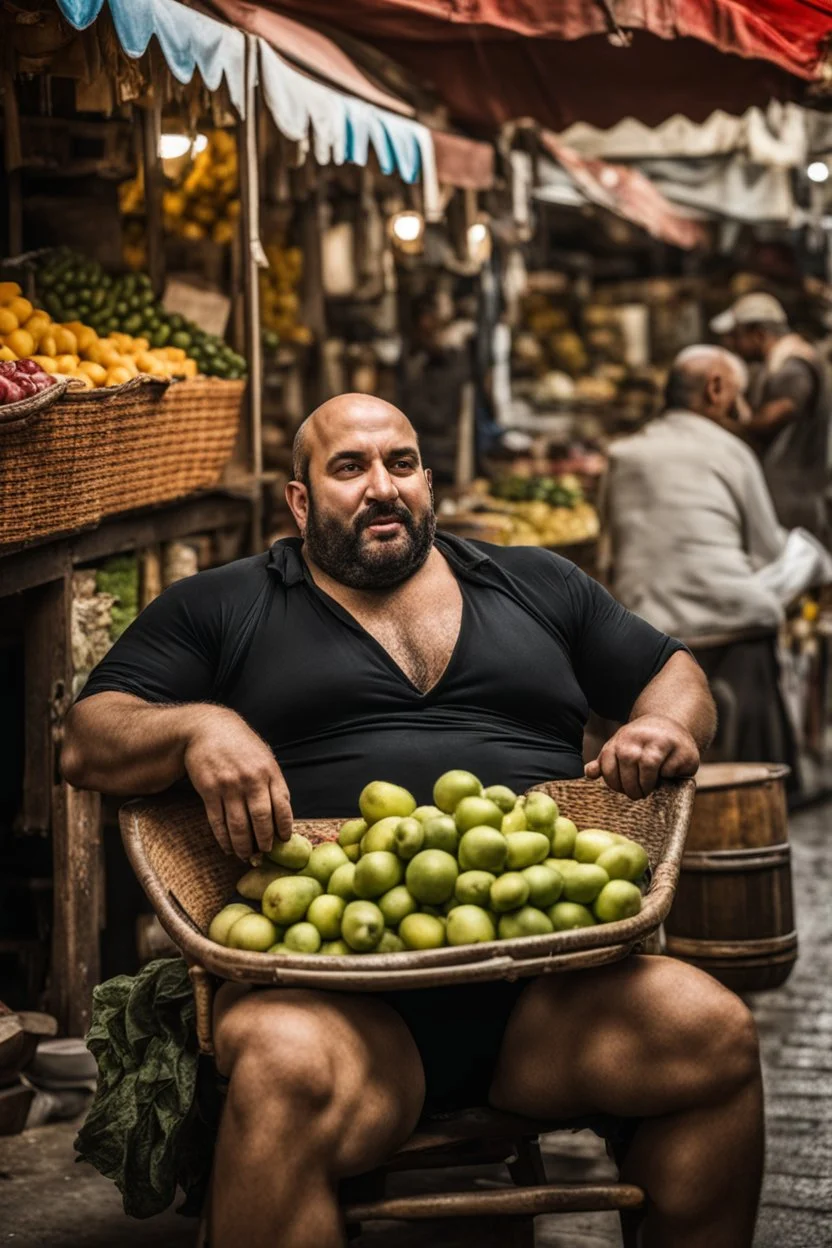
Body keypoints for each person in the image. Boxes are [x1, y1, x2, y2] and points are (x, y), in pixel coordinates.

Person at [62, 393, 763, 1248]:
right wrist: (199, 726)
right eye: (349, 468)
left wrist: (664, 724)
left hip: (544, 992)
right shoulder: (226, 605)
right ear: (300, 500)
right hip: (333, 1003)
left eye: (400, 463)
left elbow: (674, 672)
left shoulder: (536, 582)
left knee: (713, 1035)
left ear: (429, 480)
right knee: (281, 1070)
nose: (381, 487)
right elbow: (88, 740)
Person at [606, 344, 828, 771]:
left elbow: (613, 549)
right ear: (716, 388)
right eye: (739, 397)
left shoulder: (623, 453)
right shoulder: (732, 451)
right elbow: (768, 551)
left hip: (649, 628)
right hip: (734, 626)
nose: (742, 409)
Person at [711, 291, 831, 542]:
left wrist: (719, 423)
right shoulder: (779, 363)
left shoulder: (793, 367)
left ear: (759, 334)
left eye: (737, 336)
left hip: (795, 495)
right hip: (790, 492)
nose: (732, 344)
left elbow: (772, 419)